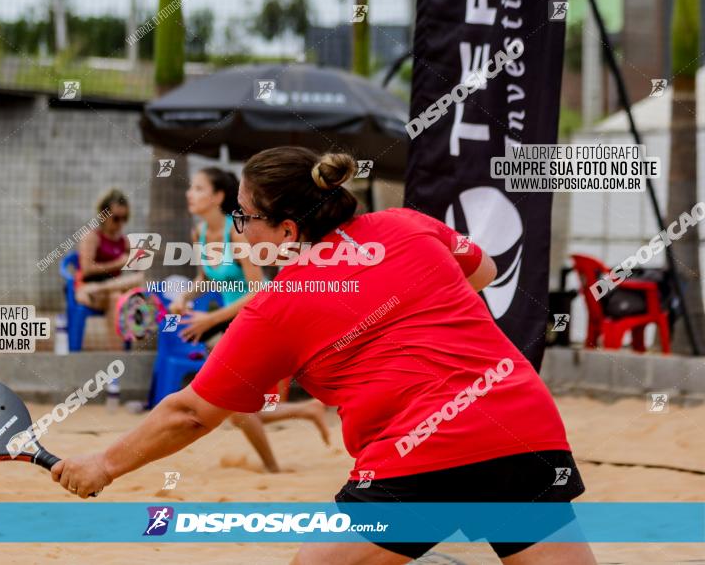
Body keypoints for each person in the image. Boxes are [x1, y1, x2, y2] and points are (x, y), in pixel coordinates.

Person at [52, 148, 596, 565]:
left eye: (244, 217)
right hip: (524, 425)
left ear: (287, 230)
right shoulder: (405, 224)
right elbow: (485, 271)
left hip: (421, 455)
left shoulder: (278, 305)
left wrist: (103, 465)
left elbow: (191, 413)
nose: (239, 228)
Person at [167, 166, 330, 472]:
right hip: (233, 323)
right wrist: (184, 298)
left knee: (231, 405)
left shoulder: (236, 231)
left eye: (199, 188)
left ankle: (273, 470)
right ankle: (306, 411)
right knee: (233, 407)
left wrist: (209, 319)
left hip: (263, 317)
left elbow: (257, 291)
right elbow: (205, 278)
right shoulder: (198, 233)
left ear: (217, 196)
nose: (190, 193)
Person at [75, 188, 144, 349]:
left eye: (124, 218)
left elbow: (138, 268)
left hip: (113, 287)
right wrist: (118, 263)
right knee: (117, 298)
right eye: (116, 218)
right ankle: (118, 356)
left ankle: (127, 349)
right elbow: (86, 270)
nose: (121, 223)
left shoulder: (124, 241)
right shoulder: (92, 237)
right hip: (89, 288)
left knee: (142, 282)